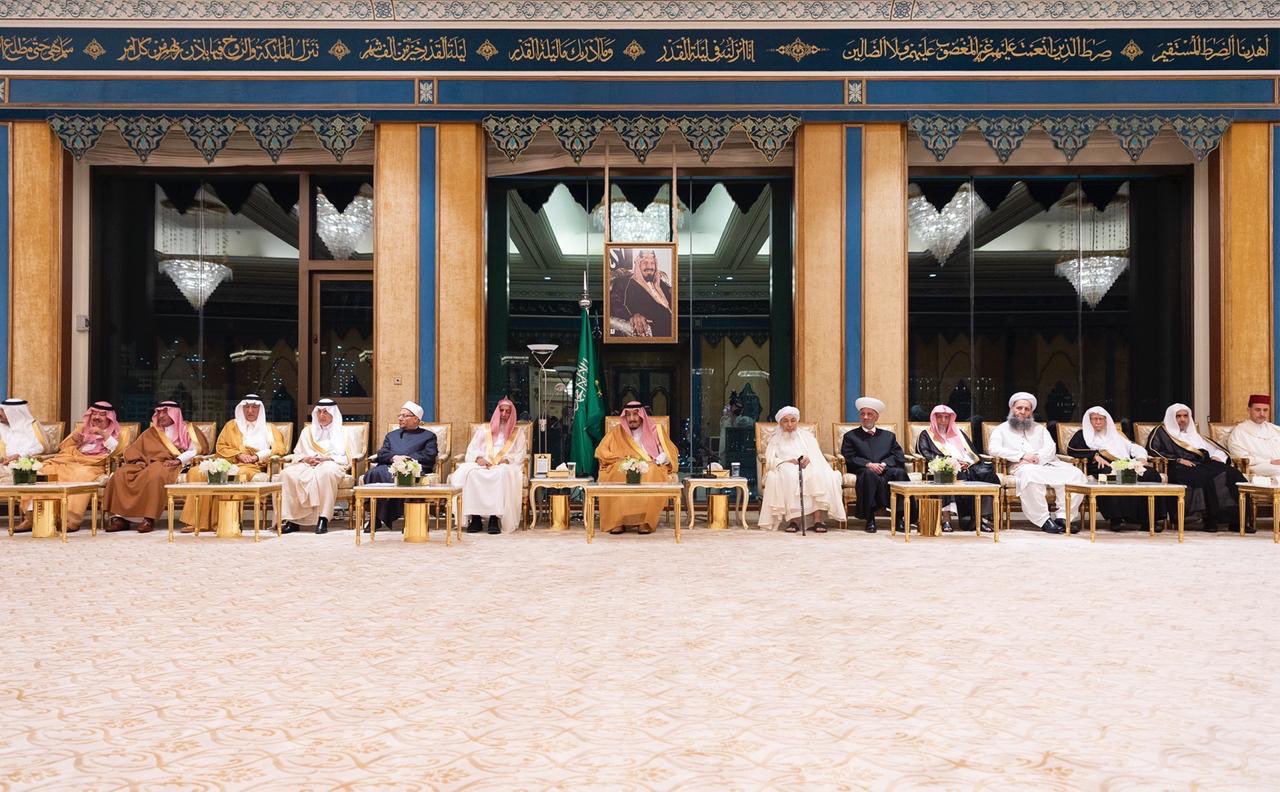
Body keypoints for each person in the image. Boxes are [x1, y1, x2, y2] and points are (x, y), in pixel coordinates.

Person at [179, 394, 286, 533]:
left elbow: (279, 449)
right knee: (196, 472)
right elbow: (221, 446)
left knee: (234, 475)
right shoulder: (231, 425)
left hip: (250, 466)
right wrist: (238, 454)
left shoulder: (269, 428)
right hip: (228, 461)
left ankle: (223, 522)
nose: (250, 411)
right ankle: (196, 522)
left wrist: (256, 457)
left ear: (260, 410)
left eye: (254, 407)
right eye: (247, 407)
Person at [987, 392, 1085, 534]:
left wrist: (1037, 458)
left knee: (1076, 474)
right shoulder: (1001, 430)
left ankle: (1064, 517)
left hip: (1047, 464)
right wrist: (1021, 455)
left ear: (1031, 412)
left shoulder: (1040, 429)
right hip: (1021, 466)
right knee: (1029, 474)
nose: (1023, 412)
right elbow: (993, 449)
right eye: (1019, 408)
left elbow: (1051, 448)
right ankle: (1044, 520)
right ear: (1012, 409)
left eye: (1027, 409)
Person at [104, 400, 208, 533]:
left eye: (165, 412)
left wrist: (179, 460)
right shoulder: (151, 432)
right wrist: (136, 460)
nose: (160, 416)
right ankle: (120, 518)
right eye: (158, 413)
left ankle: (148, 519)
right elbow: (134, 449)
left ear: (175, 414)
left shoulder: (188, 430)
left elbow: (196, 450)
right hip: (144, 463)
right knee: (120, 474)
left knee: (155, 475)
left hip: (169, 464)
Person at [15, 401, 119, 533]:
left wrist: (101, 432)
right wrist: (75, 440)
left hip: (92, 465)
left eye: (102, 415)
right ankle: (31, 516)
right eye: (94, 414)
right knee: (42, 470)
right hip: (69, 460)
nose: (97, 417)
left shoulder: (114, 433)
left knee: (81, 474)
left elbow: (116, 449)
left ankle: (71, 520)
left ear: (109, 418)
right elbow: (64, 448)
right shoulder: (83, 428)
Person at [1066, 406, 1168, 531]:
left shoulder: (1115, 435)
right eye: (1094, 419)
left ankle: (1148, 520)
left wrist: (1141, 458)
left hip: (1124, 464)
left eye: (1101, 419)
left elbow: (1132, 447)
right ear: (1090, 421)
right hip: (1101, 467)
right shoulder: (1082, 435)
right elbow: (1071, 450)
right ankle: (1117, 519)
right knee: (1110, 477)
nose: (1098, 422)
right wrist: (1094, 455)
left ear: (1105, 420)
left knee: (1151, 474)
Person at [1147, 402, 1245, 532]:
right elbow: (1153, 450)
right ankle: (1210, 520)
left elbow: (1214, 448)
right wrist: (1178, 459)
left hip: (1203, 464)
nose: (1182, 419)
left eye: (1185, 416)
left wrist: (1217, 456)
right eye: (1178, 416)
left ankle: (1237, 521)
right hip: (1178, 467)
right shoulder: (1162, 432)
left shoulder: (1194, 433)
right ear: (1171, 417)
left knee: (1233, 474)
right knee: (1203, 477)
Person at [594, 401, 678, 534]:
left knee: (649, 473)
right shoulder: (617, 431)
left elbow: (668, 452)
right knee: (617, 472)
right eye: (628, 415)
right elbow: (601, 450)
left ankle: (644, 521)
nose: (632, 418)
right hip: (624, 464)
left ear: (642, 415)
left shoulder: (656, 430)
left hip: (651, 465)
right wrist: (620, 460)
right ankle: (618, 521)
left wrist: (657, 461)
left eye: (635, 414)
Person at [759, 406, 846, 532]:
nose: (790, 424)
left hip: (807, 465)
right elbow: (770, 460)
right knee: (791, 475)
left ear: (797, 421)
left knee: (816, 474)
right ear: (780, 423)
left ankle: (817, 520)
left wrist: (808, 458)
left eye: (793, 420)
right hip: (785, 467)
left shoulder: (807, 437)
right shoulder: (775, 439)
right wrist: (787, 461)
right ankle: (794, 520)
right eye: (785, 421)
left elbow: (817, 455)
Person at [914, 404, 998, 533]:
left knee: (988, 474)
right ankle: (946, 519)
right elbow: (927, 453)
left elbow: (972, 452)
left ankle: (981, 519)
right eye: (940, 417)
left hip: (967, 466)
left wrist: (968, 463)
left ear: (950, 419)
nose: (943, 420)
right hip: (943, 467)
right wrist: (952, 462)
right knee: (949, 474)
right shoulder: (926, 434)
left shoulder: (958, 433)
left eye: (946, 417)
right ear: (934, 419)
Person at [450, 397, 526, 534]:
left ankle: (493, 518)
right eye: (501, 410)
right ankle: (476, 519)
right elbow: (472, 449)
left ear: (511, 414)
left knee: (500, 474)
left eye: (507, 412)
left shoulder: (517, 433)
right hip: (482, 463)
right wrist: (478, 458)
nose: (504, 414)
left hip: (504, 465)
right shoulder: (484, 429)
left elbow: (520, 453)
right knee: (472, 474)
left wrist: (507, 459)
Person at [363, 401, 438, 531]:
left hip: (414, 468)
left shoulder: (428, 436)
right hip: (389, 466)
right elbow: (382, 453)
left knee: (405, 475)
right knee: (374, 473)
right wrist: (394, 458)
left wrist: (407, 459)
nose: (400, 418)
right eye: (400, 415)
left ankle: (409, 519)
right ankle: (375, 517)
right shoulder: (391, 435)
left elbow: (429, 456)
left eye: (404, 416)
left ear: (416, 419)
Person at [280, 399, 348, 535]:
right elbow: (298, 453)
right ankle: (293, 519)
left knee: (325, 473)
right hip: (307, 464)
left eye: (325, 412)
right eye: (319, 412)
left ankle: (323, 518)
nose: (321, 415)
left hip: (331, 463)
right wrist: (306, 458)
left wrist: (327, 458)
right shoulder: (307, 431)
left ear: (333, 414)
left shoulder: (343, 432)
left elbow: (347, 457)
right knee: (287, 474)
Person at [840, 396, 906, 533]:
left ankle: (900, 518)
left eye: (869, 414)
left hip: (885, 469)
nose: (865, 417)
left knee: (900, 473)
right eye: (862, 414)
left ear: (876, 417)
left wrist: (884, 464)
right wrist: (868, 464)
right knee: (869, 475)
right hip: (864, 469)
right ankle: (870, 519)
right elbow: (849, 457)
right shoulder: (851, 436)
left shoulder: (888, 436)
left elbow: (898, 455)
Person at [608, 249, 673, 338]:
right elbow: (614, 303)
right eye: (645, 262)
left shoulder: (661, 284)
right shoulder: (623, 283)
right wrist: (631, 316)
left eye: (652, 263)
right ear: (638, 265)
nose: (649, 266)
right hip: (651, 333)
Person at [1227, 394, 1280, 484]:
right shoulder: (1240, 431)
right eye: (1258, 410)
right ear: (1249, 410)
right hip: (1257, 466)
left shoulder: (1275, 429)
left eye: (1265, 410)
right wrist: (1270, 461)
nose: (1262, 413)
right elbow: (1240, 457)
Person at [0, 398, 49, 485]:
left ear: (12, 414)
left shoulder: (33, 427)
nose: (0, 419)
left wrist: (20, 455)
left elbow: (42, 448)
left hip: (28, 465)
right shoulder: (4, 428)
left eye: (1, 416)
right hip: (5, 465)